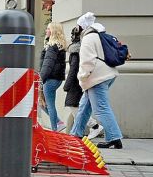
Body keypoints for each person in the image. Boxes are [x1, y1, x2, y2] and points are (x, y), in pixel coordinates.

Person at [69, 13, 123, 149]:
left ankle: (114, 138)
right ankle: (75, 134)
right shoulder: (99, 35)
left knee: (101, 108)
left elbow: (87, 62)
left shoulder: (88, 38)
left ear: (82, 27)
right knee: (84, 106)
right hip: (106, 74)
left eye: (78, 26)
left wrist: (82, 77)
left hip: (96, 77)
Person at [39, 22, 68, 131]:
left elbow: (47, 65)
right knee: (43, 103)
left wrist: (41, 79)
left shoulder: (52, 47)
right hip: (56, 79)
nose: (46, 31)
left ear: (53, 31)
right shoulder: (58, 46)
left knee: (49, 105)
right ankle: (59, 123)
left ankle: (55, 129)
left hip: (50, 79)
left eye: (48, 29)